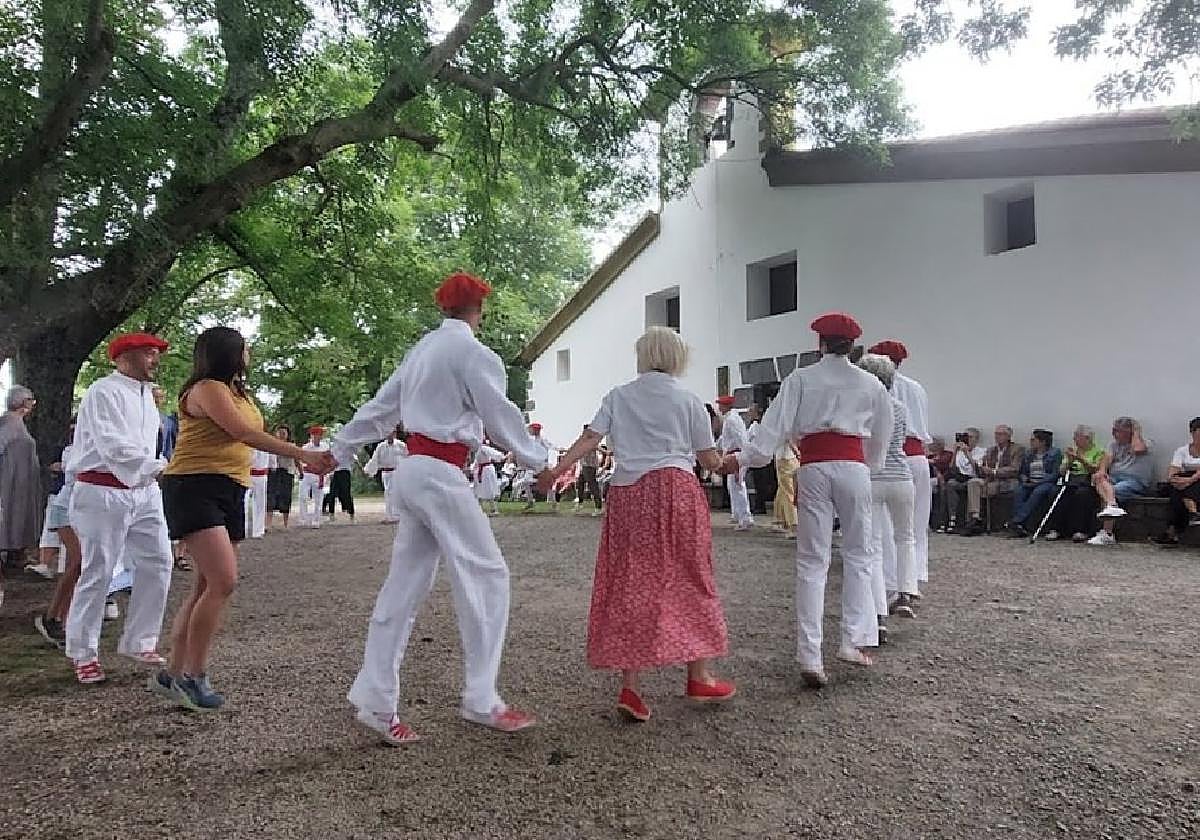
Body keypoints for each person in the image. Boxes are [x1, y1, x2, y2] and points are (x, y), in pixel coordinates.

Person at [331, 271, 552, 745]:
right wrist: (540, 461)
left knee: (405, 586)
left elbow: (380, 408)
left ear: (445, 308)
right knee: (488, 575)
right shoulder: (474, 354)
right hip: (440, 475)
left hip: (414, 471)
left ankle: (376, 700)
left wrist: (340, 447)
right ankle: (480, 697)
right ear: (480, 309)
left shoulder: (422, 351)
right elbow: (501, 415)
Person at [539, 327, 733, 722]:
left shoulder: (618, 395)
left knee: (632, 580)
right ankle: (699, 674)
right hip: (677, 490)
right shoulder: (689, 400)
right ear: (677, 357)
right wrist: (736, 461)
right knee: (692, 575)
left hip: (629, 493)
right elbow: (710, 460)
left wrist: (556, 470)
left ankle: (631, 687)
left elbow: (591, 438)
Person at [156, 326, 331, 710]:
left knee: (205, 586)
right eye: (245, 347)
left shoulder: (237, 392)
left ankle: (172, 672)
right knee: (224, 581)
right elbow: (243, 433)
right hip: (194, 485)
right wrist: (303, 454)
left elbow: (247, 433)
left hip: (229, 487)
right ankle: (194, 675)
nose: (249, 352)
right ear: (229, 352)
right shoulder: (207, 388)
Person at [722, 313, 892, 687]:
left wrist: (744, 458)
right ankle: (853, 640)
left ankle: (810, 656)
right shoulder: (871, 384)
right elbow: (882, 434)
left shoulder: (801, 378)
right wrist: (869, 467)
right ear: (853, 346)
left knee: (812, 562)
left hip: (814, 465)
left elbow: (773, 429)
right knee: (860, 555)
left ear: (820, 344)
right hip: (854, 466)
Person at [62, 334, 174, 684]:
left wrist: (152, 471)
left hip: (143, 490)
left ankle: (140, 640)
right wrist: (158, 465)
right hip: (101, 489)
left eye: (157, 354)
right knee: (99, 570)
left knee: (158, 561)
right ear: (125, 356)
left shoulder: (147, 398)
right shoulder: (102, 391)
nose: (155, 360)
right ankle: (83, 652)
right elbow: (113, 445)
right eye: (149, 353)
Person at [856, 354, 916, 639]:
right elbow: (901, 441)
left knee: (875, 548)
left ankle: (879, 613)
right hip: (901, 476)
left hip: (872, 478)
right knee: (905, 537)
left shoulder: (863, 408)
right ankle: (905, 593)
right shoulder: (900, 408)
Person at [869, 340, 932, 590]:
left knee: (886, 524)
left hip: (892, 457)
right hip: (918, 457)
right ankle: (914, 575)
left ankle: (890, 579)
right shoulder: (917, 388)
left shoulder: (881, 389)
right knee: (916, 522)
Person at [33, 427, 82, 648]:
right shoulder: (73, 451)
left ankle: (63, 618)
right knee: (78, 561)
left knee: (80, 565)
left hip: (82, 510)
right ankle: (52, 617)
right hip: (65, 509)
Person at [1088, 416, 1155, 546]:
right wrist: (1102, 471)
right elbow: (1106, 459)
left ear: (1130, 431)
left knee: (1110, 491)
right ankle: (1112, 506)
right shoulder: (1113, 445)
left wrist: (1136, 431)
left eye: (1118, 430)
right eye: (1114, 430)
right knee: (1099, 479)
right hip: (1115, 479)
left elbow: (1137, 449)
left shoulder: (1146, 442)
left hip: (1134, 481)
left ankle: (1107, 533)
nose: (1114, 433)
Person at [0, 385, 42, 588]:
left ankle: (14, 554)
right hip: (11, 481)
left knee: (17, 515)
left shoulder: (16, 423)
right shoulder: (9, 423)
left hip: (21, 482)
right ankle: (8, 555)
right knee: (10, 515)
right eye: (30, 400)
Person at [951, 425, 1024, 536]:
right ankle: (975, 518)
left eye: (1000, 434)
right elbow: (980, 471)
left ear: (1008, 436)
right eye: (996, 434)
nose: (997, 437)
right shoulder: (991, 450)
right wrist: (973, 460)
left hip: (1007, 481)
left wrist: (994, 471)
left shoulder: (1017, 449)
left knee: (984, 487)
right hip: (989, 480)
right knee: (973, 482)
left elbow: (1015, 468)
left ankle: (979, 521)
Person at [1044, 425, 1106, 542]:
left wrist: (1080, 459)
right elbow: (1061, 471)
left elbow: (1095, 469)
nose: (1074, 440)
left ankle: (1080, 530)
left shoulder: (1099, 452)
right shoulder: (1072, 450)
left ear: (1087, 438)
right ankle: (1055, 529)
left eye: (1077, 437)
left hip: (1088, 481)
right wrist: (1069, 461)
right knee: (1055, 493)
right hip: (1071, 480)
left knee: (1082, 495)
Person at [28, 422, 73, 580]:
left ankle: (66, 568)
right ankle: (45, 564)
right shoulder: (64, 448)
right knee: (51, 529)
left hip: (76, 496)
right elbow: (54, 466)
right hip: (59, 493)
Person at [1150, 417, 1200, 547]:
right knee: (1177, 491)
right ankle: (1193, 514)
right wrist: (1174, 479)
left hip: (1196, 481)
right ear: (1193, 433)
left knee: (1182, 490)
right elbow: (1173, 470)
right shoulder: (1182, 450)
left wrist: (1189, 480)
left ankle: (1171, 532)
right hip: (1186, 482)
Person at [1005, 429, 1063, 537]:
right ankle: (1019, 526)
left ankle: (1017, 521)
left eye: (1033, 440)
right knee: (1019, 491)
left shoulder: (1055, 453)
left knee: (1038, 492)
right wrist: (1024, 479)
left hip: (1046, 482)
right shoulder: (1029, 454)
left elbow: (1055, 474)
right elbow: (1023, 471)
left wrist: (1038, 482)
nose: (1031, 442)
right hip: (1030, 481)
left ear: (1043, 442)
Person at [716, 395, 753, 530]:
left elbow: (740, 439)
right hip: (732, 453)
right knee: (733, 485)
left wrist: (742, 458)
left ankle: (745, 517)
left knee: (738, 485)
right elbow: (724, 439)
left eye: (720, 405)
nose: (719, 407)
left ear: (726, 406)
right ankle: (737, 514)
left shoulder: (732, 420)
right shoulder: (730, 419)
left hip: (737, 454)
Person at [941, 428, 986, 532]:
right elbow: (952, 469)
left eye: (970, 437)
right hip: (960, 478)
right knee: (950, 484)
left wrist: (967, 453)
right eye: (965, 437)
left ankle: (971, 521)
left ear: (976, 439)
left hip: (974, 478)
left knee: (971, 483)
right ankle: (952, 518)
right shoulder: (959, 452)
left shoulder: (981, 451)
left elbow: (978, 470)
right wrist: (955, 452)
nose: (967, 439)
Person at [363, 427, 408, 523]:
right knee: (388, 493)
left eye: (391, 433)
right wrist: (368, 470)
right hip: (386, 473)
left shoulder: (401, 445)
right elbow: (375, 459)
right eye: (387, 433)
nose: (389, 435)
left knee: (396, 493)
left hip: (397, 472)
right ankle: (389, 515)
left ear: (395, 434)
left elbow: (408, 457)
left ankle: (397, 515)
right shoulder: (381, 446)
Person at [297, 425, 329, 528]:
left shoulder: (325, 447)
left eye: (320, 435)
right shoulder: (306, 448)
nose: (318, 437)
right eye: (316, 435)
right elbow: (300, 461)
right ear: (312, 436)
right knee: (303, 497)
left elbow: (328, 461)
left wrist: (326, 474)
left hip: (319, 475)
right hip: (307, 474)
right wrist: (301, 472)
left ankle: (316, 520)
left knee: (319, 499)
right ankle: (303, 519)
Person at [266, 426, 297, 530]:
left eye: (284, 432)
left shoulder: (291, 446)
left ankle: (286, 523)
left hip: (287, 472)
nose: (282, 434)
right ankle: (268, 523)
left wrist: (300, 471)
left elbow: (296, 459)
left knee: (286, 496)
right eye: (280, 432)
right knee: (271, 495)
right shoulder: (271, 445)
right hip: (274, 472)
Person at [773, 435, 800, 536]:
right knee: (789, 491)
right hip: (787, 456)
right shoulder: (786, 419)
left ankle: (779, 519)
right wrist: (796, 451)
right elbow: (788, 435)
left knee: (783, 489)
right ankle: (793, 524)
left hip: (784, 456)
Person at [574, 425, 604, 515]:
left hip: (590, 466)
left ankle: (598, 507)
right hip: (584, 465)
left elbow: (597, 448)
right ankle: (580, 504)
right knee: (580, 483)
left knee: (592, 485)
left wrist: (606, 452)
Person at [927, 437, 954, 531]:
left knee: (928, 485)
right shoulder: (929, 456)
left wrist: (932, 463)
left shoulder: (947, 454)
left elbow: (943, 464)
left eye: (932, 444)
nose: (930, 446)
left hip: (944, 479)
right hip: (933, 480)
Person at [472, 440, 505, 515]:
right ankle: (479, 509)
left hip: (486, 471)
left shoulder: (483, 447)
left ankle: (494, 509)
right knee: (478, 489)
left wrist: (500, 456)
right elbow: (476, 462)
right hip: (482, 471)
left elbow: (492, 452)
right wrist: (473, 468)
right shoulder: (478, 449)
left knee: (489, 488)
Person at [245, 447, 271, 539]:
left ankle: (258, 531)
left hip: (261, 475)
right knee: (244, 502)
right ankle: (243, 529)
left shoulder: (265, 445)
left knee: (260, 503)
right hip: (249, 474)